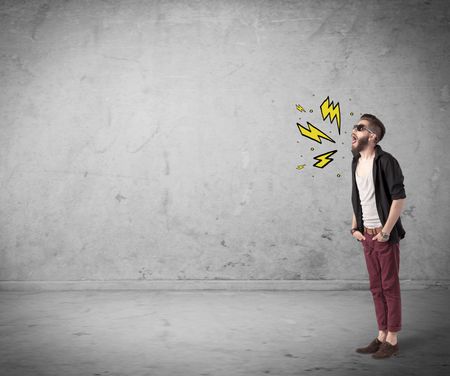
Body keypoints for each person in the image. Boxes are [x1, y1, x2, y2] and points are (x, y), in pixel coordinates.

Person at [350, 114, 406, 359]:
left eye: (359, 128)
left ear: (372, 136)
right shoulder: (356, 162)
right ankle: (381, 334)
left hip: (383, 237)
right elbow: (358, 199)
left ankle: (392, 339)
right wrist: (355, 228)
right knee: (376, 288)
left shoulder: (386, 161)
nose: (354, 130)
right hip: (367, 237)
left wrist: (385, 232)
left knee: (389, 287)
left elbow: (399, 199)